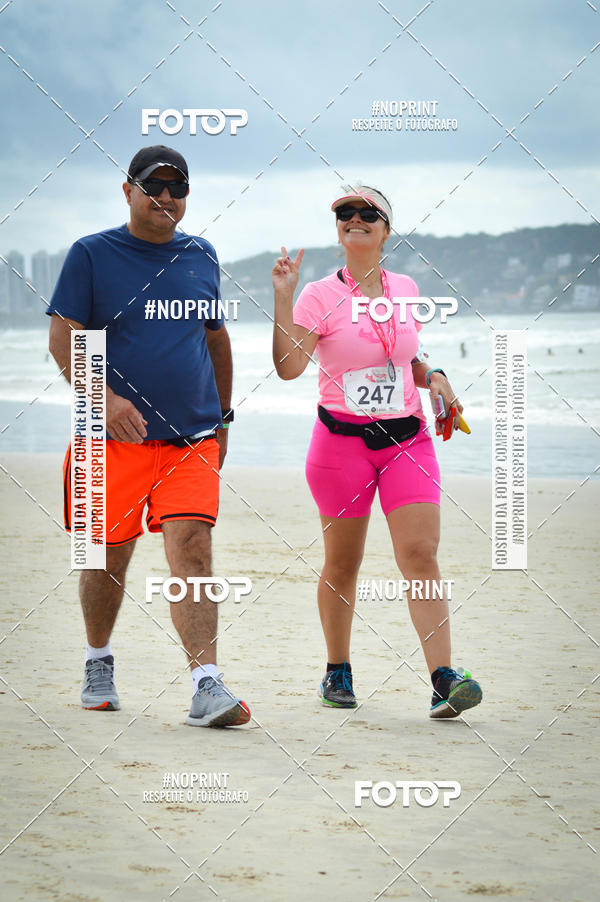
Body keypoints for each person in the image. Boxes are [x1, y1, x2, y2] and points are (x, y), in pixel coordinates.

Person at [47, 145, 250, 728]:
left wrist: (224, 416)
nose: (166, 197)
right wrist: (103, 399)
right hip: (110, 440)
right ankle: (97, 661)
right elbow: (64, 340)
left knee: (193, 548)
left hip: (190, 438)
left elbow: (215, 340)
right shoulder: (91, 254)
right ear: (128, 189)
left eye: (177, 188)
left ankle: (205, 685)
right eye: (154, 186)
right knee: (109, 558)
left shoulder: (201, 254)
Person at [271, 184, 482, 719]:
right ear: (338, 228)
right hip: (340, 444)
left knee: (421, 555)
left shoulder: (406, 287)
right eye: (346, 212)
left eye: (369, 214)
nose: (356, 219)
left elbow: (405, 355)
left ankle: (443, 679)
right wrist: (282, 296)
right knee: (343, 562)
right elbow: (289, 368)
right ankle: (337, 671)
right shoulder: (318, 295)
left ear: (386, 230)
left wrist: (433, 374)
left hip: (407, 440)